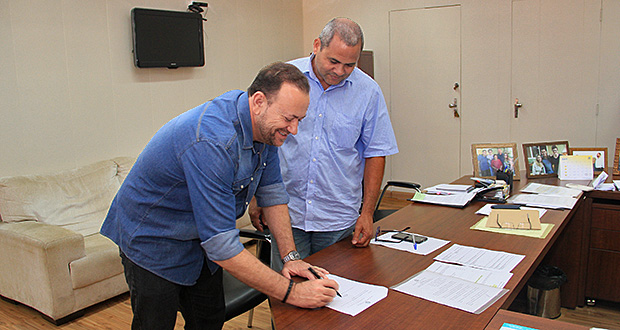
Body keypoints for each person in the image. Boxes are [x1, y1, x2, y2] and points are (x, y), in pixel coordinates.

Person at [100, 62, 339, 330]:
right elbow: (222, 246)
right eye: (288, 119)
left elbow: (272, 193)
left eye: (299, 120)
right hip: (151, 239)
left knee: (209, 319)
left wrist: (291, 257)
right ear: (259, 101)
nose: (294, 129)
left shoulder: (265, 128)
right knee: (155, 324)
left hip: (198, 240)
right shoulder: (212, 141)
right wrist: (291, 293)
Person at [250, 18, 398, 265]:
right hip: (286, 212)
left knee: (337, 293)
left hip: (337, 217)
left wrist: (367, 214)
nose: (339, 71)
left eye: (349, 65)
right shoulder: (284, 80)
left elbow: (376, 153)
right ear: (317, 45)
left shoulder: (369, 92)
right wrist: (256, 197)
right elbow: (261, 138)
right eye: (333, 61)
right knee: (288, 291)